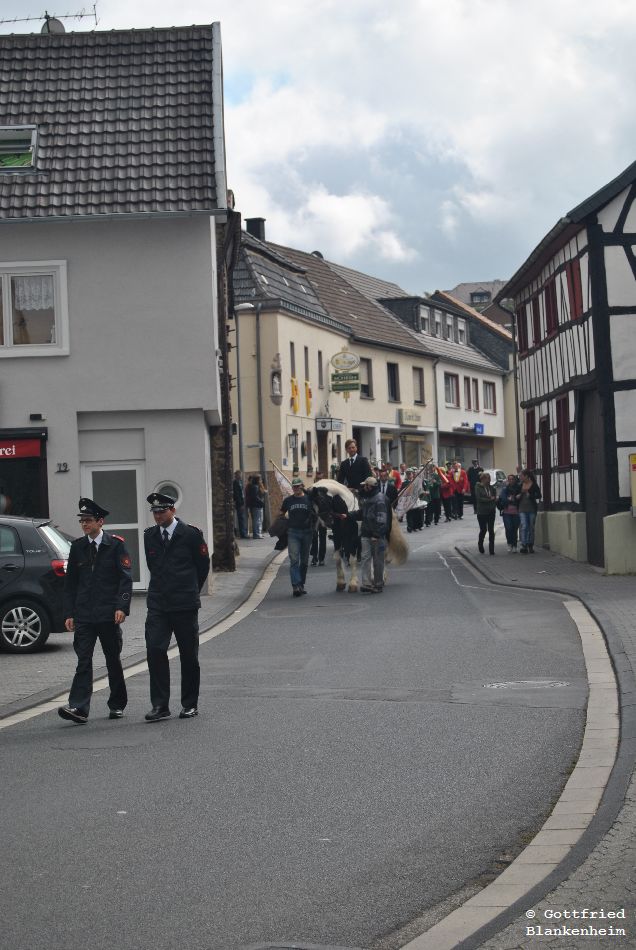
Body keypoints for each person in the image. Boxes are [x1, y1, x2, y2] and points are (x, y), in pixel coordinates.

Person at [58, 498, 133, 725]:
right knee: (83, 660)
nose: (84, 524)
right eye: (82, 521)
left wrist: (121, 607)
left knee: (112, 660)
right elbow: (70, 584)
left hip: (108, 614)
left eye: (88, 520)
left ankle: (117, 704)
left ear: (100, 522)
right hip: (84, 614)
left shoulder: (115, 545)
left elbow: (125, 579)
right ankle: (79, 708)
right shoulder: (78, 547)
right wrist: (69, 613)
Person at [143, 492, 210, 722]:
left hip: (184, 604)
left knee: (188, 655)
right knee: (155, 650)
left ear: (173, 510)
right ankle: (160, 705)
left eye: (162, 511)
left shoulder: (190, 534)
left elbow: (202, 565)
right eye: (155, 512)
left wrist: (191, 590)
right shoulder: (149, 535)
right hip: (158, 604)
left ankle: (189, 704)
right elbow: (153, 565)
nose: (158, 516)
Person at [352, 476, 391, 592]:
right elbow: (363, 513)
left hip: (376, 536)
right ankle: (367, 583)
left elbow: (382, 519)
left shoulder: (380, 499)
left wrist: (377, 534)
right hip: (366, 533)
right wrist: (349, 515)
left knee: (378, 561)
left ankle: (378, 584)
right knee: (365, 558)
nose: (363, 487)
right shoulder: (368, 498)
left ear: (370, 486)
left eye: (365, 485)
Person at [281, 477, 314, 596]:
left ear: (302, 486)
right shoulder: (288, 500)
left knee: (304, 561)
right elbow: (281, 513)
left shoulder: (309, 499)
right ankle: (295, 586)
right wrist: (281, 523)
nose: (295, 488)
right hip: (293, 532)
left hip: (307, 532)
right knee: (294, 559)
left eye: (298, 486)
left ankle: (301, 584)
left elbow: (316, 512)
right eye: (294, 486)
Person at [515, 469, 542, 554]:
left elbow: (539, 495)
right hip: (522, 509)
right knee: (524, 526)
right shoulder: (520, 485)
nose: (520, 477)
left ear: (526, 476)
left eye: (521, 476)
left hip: (532, 509)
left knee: (531, 527)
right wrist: (518, 496)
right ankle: (524, 545)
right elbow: (515, 495)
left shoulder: (533, 485)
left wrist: (530, 495)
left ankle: (530, 544)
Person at [475, 472, 497, 555]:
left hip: (491, 511)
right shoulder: (478, 487)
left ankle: (492, 549)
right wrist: (489, 499)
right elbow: (479, 498)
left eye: (490, 478)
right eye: (488, 479)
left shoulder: (492, 488)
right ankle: (480, 544)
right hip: (482, 512)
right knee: (483, 529)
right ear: (483, 479)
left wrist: (493, 500)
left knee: (491, 530)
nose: (489, 480)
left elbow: (494, 497)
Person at [498, 474, 521, 552]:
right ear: (508, 480)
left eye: (512, 479)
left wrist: (512, 498)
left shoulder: (518, 488)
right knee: (508, 528)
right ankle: (509, 543)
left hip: (516, 512)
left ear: (515, 480)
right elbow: (503, 499)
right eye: (509, 479)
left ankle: (514, 545)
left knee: (515, 529)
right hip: (507, 512)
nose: (511, 481)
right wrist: (511, 499)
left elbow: (519, 499)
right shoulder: (505, 489)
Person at [310, 471, 327, 566]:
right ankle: (314, 557)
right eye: (318, 479)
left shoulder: (325, 491)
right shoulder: (311, 490)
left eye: (320, 479)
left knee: (322, 538)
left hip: (323, 518)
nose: (319, 480)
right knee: (314, 538)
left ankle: (321, 558)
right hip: (314, 518)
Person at [246, 474, 267, 539]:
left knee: (259, 520)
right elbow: (255, 497)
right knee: (257, 520)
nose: (261, 480)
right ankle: (256, 534)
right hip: (256, 505)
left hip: (257, 505)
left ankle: (259, 533)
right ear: (257, 480)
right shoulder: (255, 487)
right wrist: (261, 502)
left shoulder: (255, 486)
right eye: (260, 479)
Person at [232, 471, 249, 539]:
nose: (241, 476)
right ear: (236, 475)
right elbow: (237, 495)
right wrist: (240, 503)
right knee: (241, 518)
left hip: (242, 502)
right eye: (239, 475)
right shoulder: (235, 483)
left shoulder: (240, 482)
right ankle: (243, 534)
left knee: (242, 518)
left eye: (241, 475)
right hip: (239, 503)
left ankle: (243, 533)